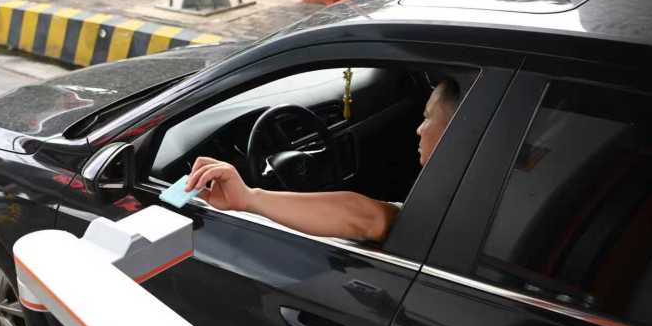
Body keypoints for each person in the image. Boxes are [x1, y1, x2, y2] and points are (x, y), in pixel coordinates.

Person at [184, 78, 460, 243]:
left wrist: (249, 198)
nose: (419, 129)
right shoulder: (471, 196)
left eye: (427, 117)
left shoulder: (450, 214)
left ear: (458, 130)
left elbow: (368, 219)